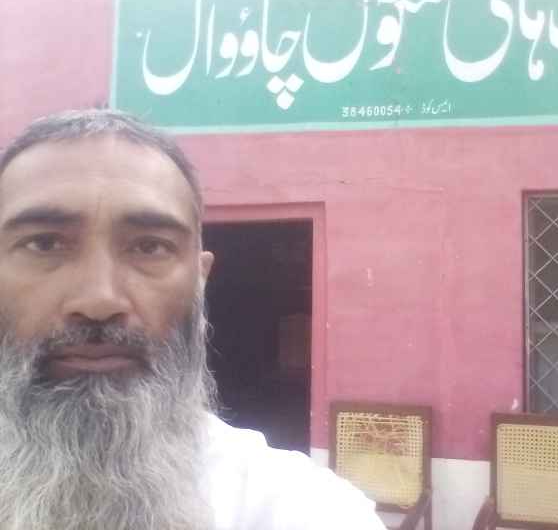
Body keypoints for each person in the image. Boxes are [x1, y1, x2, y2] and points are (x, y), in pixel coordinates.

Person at [0, 110, 386, 530]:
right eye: (44, 244)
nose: (99, 300)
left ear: (200, 279)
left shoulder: (301, 507)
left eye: (150, 247)